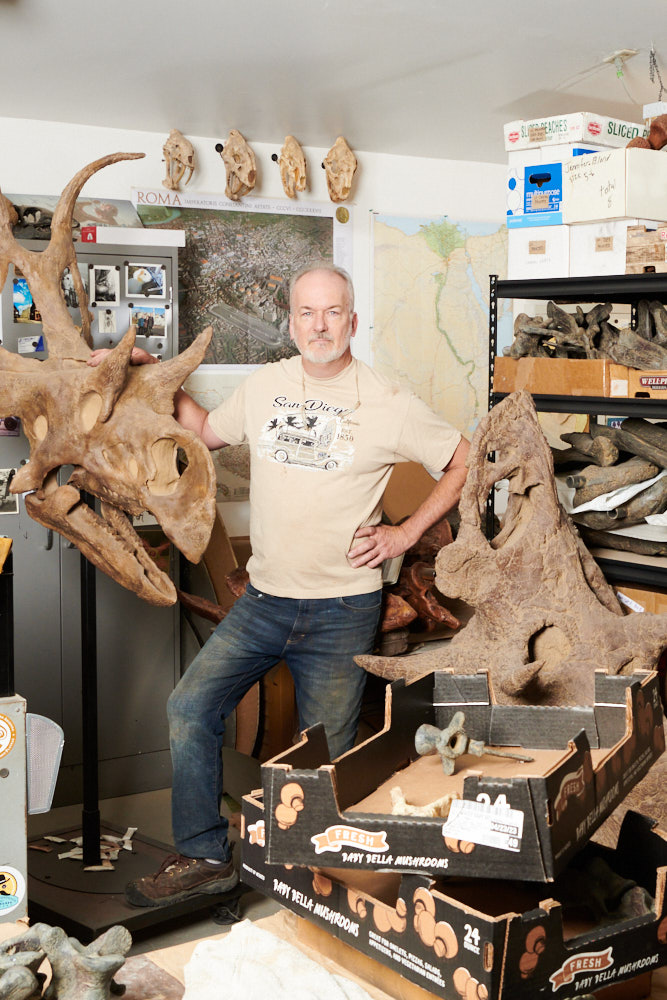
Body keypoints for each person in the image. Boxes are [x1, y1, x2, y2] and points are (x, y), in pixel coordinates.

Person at [99, 262, 469, 907]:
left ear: (352, 322)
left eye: (332, 313)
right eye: (306, 313)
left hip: (343, 608)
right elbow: (203, 433)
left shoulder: (386, 402)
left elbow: (466, 457)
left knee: (327, 753)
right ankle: (205, 855)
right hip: (265, 603)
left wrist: (405, 534)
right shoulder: (266, 386)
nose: (318, 325)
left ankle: (321, 880)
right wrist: (144, 368)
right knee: (190, 708)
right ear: (291, 321)